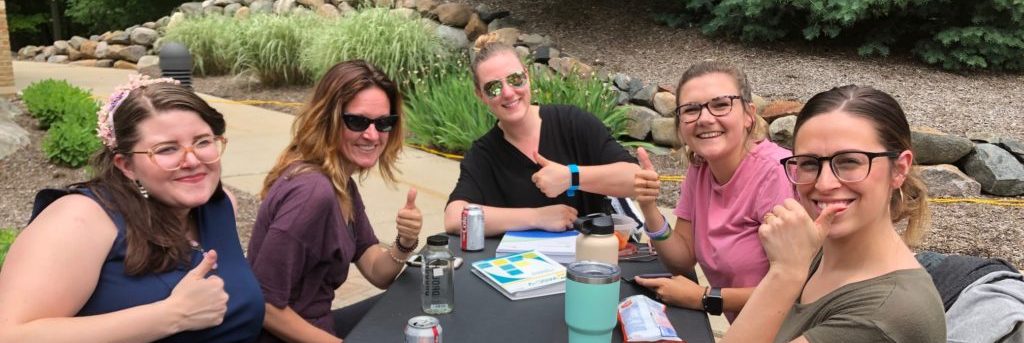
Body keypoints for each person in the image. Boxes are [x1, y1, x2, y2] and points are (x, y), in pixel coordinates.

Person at [0, 75, 263, 342]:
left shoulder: (221, 205)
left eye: (203, 141)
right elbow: (11, 335)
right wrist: (171, 315)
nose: (192, 159)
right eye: (167, 149)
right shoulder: (81, 219)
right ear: (125, 165)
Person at [718, 85, 945, 342]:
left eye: (849, 161)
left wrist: (785, 273)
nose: (824, 184)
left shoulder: (888, 315)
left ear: (899, 169)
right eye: (808, 163)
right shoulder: (822, 251)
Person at [247, 60, 422, 343]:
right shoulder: (312, 193)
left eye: (384, 123)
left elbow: (379, 273)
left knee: (417, 305)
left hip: (318, 325)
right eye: (357, 121)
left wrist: (405, 241)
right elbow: (264, 304)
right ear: (327, 118)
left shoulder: (341, 183)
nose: (373, 135)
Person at [633, 61, 793, 322]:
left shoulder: (776, 174)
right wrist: (650, 208)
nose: (705, 118)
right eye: (691, 109)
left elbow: (795, 289)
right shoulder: (701, 169)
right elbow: (682, 260)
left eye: (720, 105)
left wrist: (703, 297)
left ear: (748, 115)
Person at [444, 33, 639, 236]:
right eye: (493, 88)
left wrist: (572, 177)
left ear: (527, 76)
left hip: (589, 262)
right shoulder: (483, 155)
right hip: (520, 265)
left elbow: (636, 180)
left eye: (515, 79)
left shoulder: (572, 123)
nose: (508, 93)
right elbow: (454, 217)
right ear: (480, 95)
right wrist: (536, 217)